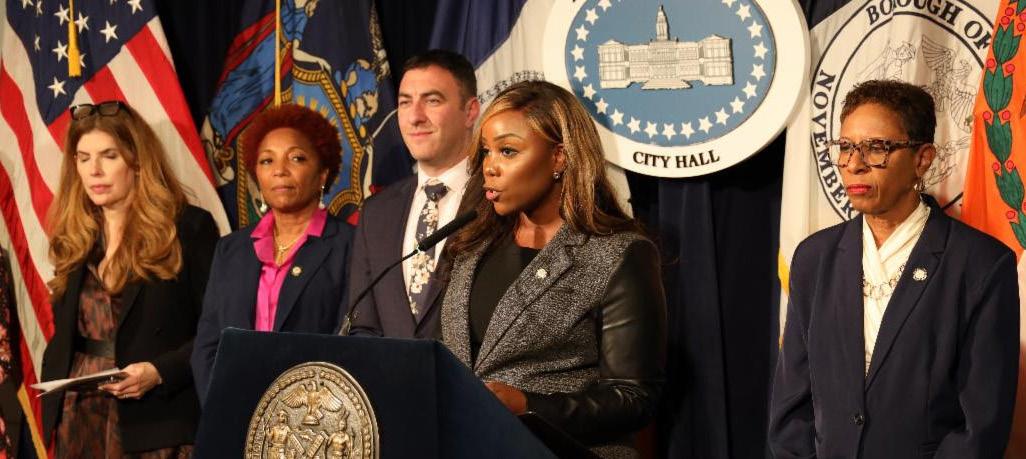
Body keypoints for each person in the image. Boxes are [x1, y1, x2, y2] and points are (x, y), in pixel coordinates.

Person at [769, 80, 1019, 457]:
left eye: (876, 148)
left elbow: (980, 427)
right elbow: (792, 406)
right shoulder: (814, 258)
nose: (854, 164)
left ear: (922, 159)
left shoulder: (980, 264)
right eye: (846, 147)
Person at [440, 80, 666, 458]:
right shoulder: (471, 247)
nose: (490, 167)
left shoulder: (619, 254)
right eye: (486, 151)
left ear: (559, 157)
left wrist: (528, 406)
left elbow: (633, 396)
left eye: (508, 151)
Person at [41, 100, 219, 456]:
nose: (94, 171)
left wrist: (159, 371)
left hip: (156, 418)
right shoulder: (74, 236)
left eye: (109, 156)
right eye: (83, 158)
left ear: (136, 159)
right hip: (79, 415)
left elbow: (216, 330)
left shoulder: (187, 228)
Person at [191, 104, 353, 403]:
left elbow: (349, 343)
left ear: (323, 174)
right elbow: (208, 345)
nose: (280, 170)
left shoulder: (349, 246)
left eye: (296, 158)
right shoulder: (231, 249)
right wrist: (221, 408)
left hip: (314, 413)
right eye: (267, 160)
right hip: (235, 409)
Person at [347, 50, 480, 339]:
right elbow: (362, 325)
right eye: (405, 102)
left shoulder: (496, 200)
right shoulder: (377, 212)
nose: (415, 117)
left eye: (432, 101)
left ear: (470, 112)